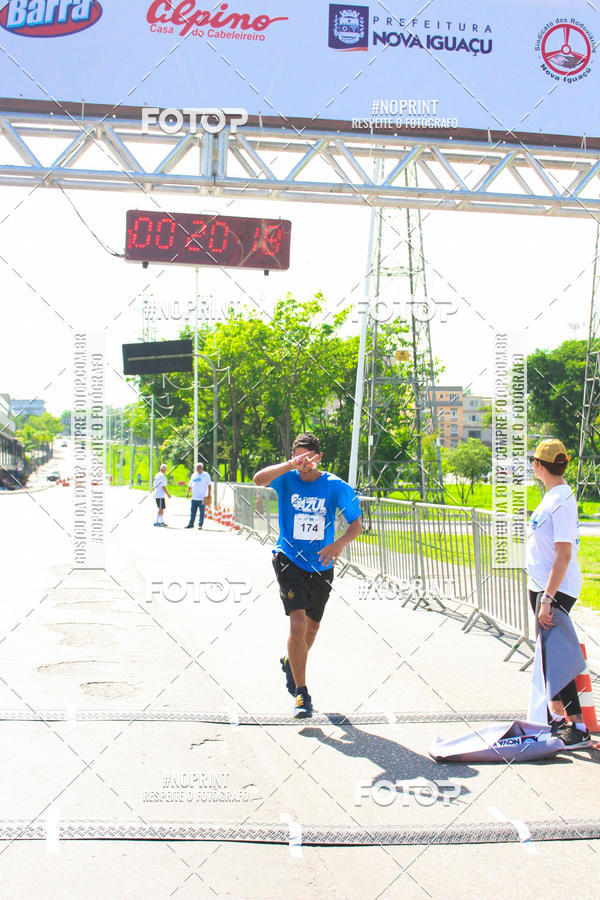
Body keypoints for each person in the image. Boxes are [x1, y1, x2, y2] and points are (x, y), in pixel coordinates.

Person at [253, 432, 362, 718]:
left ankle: (291, 662)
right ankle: (302, 695)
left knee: (311, 629)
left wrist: (339, 545)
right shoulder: (287, 477)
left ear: (318, 457)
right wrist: (290, 464)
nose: (303, 464)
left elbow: (356, 525)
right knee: (298, 623)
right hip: (288, 558)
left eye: (307, 458)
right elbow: (258, 479)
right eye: (299, 457)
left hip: (322, 564)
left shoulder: (335, 486)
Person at [527, 438, 591, 749]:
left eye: (533, 462)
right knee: (550, 657)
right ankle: (560, 717)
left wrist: (549, 599)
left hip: (556, 589)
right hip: (544, 587)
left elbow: (563, 555)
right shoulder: (552, 496)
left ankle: (577, 725)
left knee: (558, 655)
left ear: (540, 465)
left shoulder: (562, 501)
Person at [186, 462, 212, 529]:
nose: (198, 469)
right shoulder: (194, 475)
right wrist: (188, 492)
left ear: (202, 468)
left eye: (199, 468)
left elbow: (209, 485)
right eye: (197, 468)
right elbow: (190, 484)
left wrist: (209, 494)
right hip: (194, 497)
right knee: (193, 512)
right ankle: (191, 524)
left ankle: (200, 525)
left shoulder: (206, 475)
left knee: (202, 512)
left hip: (202, 497)